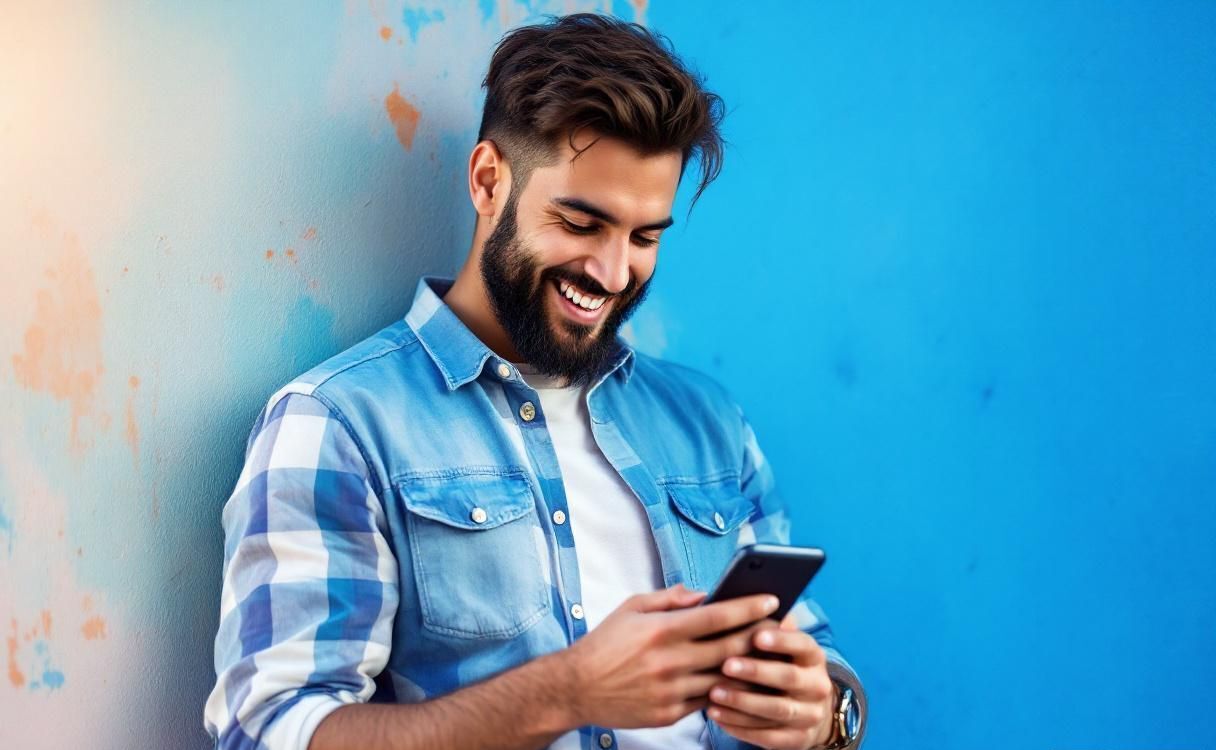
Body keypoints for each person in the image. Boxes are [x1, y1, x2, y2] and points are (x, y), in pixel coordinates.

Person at [205, 13, 866, 750]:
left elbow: (817, 657)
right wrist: (564, 692)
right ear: (489, 181)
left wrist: (824, 715)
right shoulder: (338, 426)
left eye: (645, 236)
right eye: (581, 224)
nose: (612, 272)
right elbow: (271, 730)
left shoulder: (708, 422)